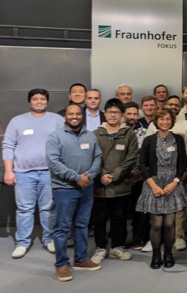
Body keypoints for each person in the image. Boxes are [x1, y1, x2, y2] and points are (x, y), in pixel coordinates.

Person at [3, 89, 63, 259]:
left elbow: (64, 143)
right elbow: (8, 146)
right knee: (24, 209)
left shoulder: (57, 120)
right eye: (35, 99)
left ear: (47, 101)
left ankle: (49, 239)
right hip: (23, 173)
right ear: (30, 102)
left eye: (42, 99)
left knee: (49, 208)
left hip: (49, 173)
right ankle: (22, 242)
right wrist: (8, 170)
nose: (39, 102)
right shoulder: (17, 121)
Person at [46, 104, 102, 281]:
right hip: (64, 189)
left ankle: (80, 259)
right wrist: (76, 177)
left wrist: (90, 176)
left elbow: (98, 157)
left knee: (82, 225)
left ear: (82, 116)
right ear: (65, 116)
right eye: (71, 114)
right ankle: (62, 264)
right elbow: (54, 162)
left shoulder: (90, 135)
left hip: (86, 188)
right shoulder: (56, 137)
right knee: (62, 228)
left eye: (78, 113)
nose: (75, 116)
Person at [135, 108, 187, 270]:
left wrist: (175, 182)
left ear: (172, 121)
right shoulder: (149, 140)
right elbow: (142, 164)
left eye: (167, 119)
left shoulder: (178, 140)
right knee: (157, 224)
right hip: (154, 185)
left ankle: (168, 253)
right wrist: (153, 185)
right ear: (156, 122)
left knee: (169, 224)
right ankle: (156, 254)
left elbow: (182, 163)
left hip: (172, 185)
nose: (164, 122)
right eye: (161, 119)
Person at [90, 98, 139, 264]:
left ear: (122, 115)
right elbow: (92, 157)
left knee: (120, 217)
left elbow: (131, 157)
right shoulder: (96, 134)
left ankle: (118, 247)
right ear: (105, 113)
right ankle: (101, 248)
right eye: (110, 112)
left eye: (116, 112)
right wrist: (102, 175)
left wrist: (115, 175)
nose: (113, 115)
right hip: (99, 184)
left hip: (121, 184)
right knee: (100, 218)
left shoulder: (129, 134)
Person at [146, 95, 187, 251]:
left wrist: (181, 176)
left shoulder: (182, 131)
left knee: (174, 215)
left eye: (176, 105)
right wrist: (152, 182)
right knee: (156, 216)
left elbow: (186, 156)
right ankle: (156, 246)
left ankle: (174, 242)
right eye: (161, 119)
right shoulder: (151, 133)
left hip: (176, 178)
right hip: (155, 179)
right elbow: (144, 159)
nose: (165, 122)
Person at [124, 102, 151, 251]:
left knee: (140, 210)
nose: (132, 117)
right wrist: (128, 172)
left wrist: (138, 171)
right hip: (121, 178)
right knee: (122, 212)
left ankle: (139, 239)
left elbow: (146, 154)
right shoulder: (118, 131)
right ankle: (119, 242)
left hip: (140, 177)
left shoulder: (145, 132)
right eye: (129, 114)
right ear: (124, 115)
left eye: (135, 114)